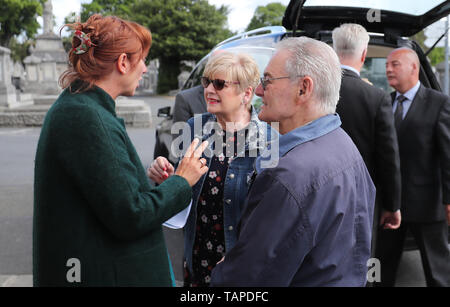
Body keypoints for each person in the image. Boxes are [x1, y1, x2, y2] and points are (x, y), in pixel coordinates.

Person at [33, 14, 209, 287]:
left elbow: (109, 196)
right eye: (143, 60)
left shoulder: (81, 106)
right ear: (123, 62)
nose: (146, 69)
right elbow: (130, 215)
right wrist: (181, 181)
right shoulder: (87, 118)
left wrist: (158, 186)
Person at [210, 37, 376, 287]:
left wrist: (225, 272)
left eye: (267, 80)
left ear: (303, 89)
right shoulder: (343, 144)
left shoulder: (290, 173)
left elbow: (249, 279)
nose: (258, 90)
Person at [148, 51, 268, 286]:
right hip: (198, 261)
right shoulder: (194, 127)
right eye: (207, 82)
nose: (209, 90)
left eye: (219, 84)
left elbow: (272, 218)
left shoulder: (269, 140)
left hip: (243, 269)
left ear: (246, 93)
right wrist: (171, 179)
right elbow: (185, 191)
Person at [377, 47, 450, 287]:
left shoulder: (439, 103)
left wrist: (449, 201)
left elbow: (448, 157)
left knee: (438, 272)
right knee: (381, 267)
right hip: (391, 206)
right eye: (387, 65)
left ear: (414, 68)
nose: (388, 69)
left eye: (395, 64)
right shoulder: (385, 103)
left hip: (428, 206)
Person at [331, 24, 402, 264]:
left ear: (333, 49)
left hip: (318, 195)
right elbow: (388, 157)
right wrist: (392, 205)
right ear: (364, 54)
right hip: (363, 199)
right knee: (360, 264)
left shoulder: (312, 91)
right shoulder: (376, 97)